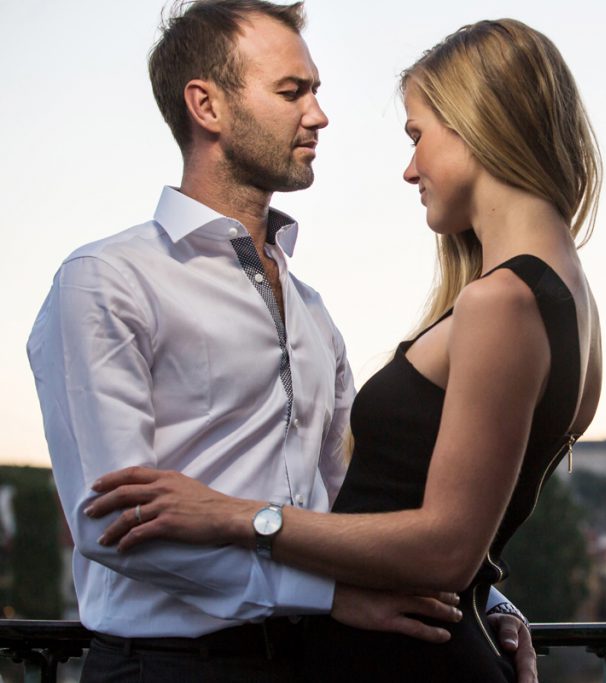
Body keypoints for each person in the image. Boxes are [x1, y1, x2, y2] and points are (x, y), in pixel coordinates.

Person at [27, 2, 534, 681]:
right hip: (167, 668)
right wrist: (327, 596)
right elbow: (113, 528)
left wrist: (476, 596)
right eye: (292, 92)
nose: (319, 115)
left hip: (311, 662)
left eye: (316, 91)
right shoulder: (105, 282)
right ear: (206, 106)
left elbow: (348, 505)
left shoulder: (312, 313)